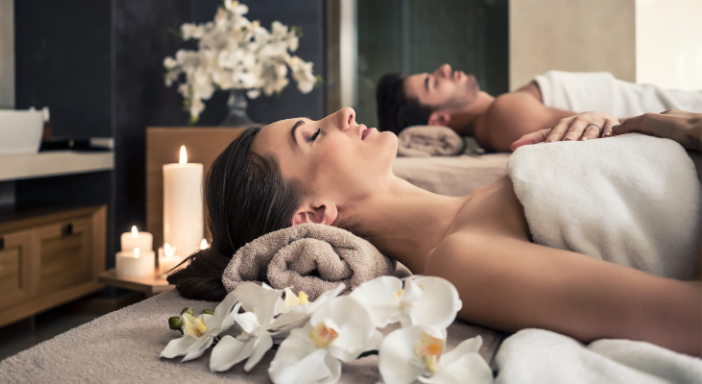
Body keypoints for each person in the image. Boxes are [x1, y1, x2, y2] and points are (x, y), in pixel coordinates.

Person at [169, 108, 702, 357]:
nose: (341, 113)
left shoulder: (487, 196)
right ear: (313, 215)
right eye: (312, 135)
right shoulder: (460, 259)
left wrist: (650, 128)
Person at [377, 65, 702, 152]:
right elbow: (605, 133)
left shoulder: (506, 108)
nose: (445, 68)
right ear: (440, 120)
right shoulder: (505, 116)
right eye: (434, 83)